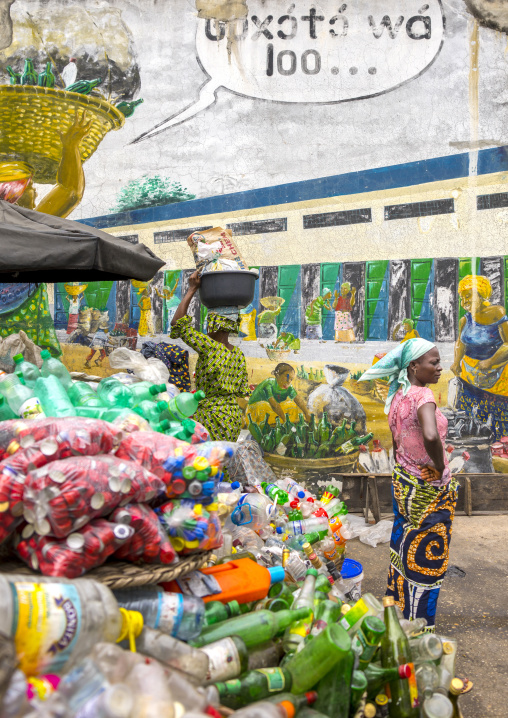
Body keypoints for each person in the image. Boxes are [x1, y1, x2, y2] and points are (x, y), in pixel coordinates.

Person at [359, 338, 458, 632]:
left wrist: (406, 466)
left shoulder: (399, 395)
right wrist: (440, 467)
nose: (440, 368)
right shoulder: (423, 396)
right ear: (414, 366)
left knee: (403, 549)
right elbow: (430, 435)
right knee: (427, 559)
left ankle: (397, 614)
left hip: (404, 483)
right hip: (429, 491)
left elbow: (397, 438)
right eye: (434, 362)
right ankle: (419, 628)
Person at [170, 271, 250, 441]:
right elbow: (242, 390)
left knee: (207, 460)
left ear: (215, 324)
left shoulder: (209, 347)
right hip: (233, 418)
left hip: (211, 417)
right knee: (223, 460)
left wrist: (192, 289)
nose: (206, 329)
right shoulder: (238, 354)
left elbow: (177, 323)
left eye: (209, 323)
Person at [451, 274, 508, 438]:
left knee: (497, 416)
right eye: (462, 298)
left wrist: (490, 362)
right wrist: (456, 362)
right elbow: (460, 343)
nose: (464, 302)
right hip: (469, 374)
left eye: (468, 296)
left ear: (481, 294)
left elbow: (507, 344)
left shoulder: (497, 313)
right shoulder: (465, 320)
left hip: (497, 375)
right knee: (471, 415)